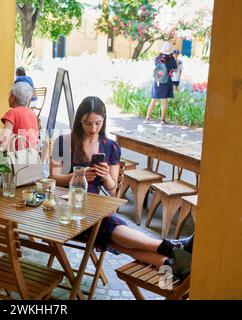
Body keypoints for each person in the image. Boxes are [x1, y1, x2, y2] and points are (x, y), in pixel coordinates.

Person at [50, 96, 193, 279]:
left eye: (98, 123)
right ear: (79, 120)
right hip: (68, 211)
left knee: (113, 236)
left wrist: (106, 175)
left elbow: (112, 190)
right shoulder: (63, 142)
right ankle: (172, 248)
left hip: (95, 211)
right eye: (87, 123)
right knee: (109, 227)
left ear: (104, 120)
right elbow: (52, 179)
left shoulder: (110, 146)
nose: (93, 129)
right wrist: (78, 175)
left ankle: (169, 263)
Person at [144, 42, 177, 125]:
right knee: (164, 101)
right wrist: (174, 59)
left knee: (153, 100)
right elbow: (175, 68)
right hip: (166, 81)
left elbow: (156, 66)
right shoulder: (171, 59)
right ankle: (162, 120)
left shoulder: (158, 58)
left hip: (158, 81)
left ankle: (147, 118)